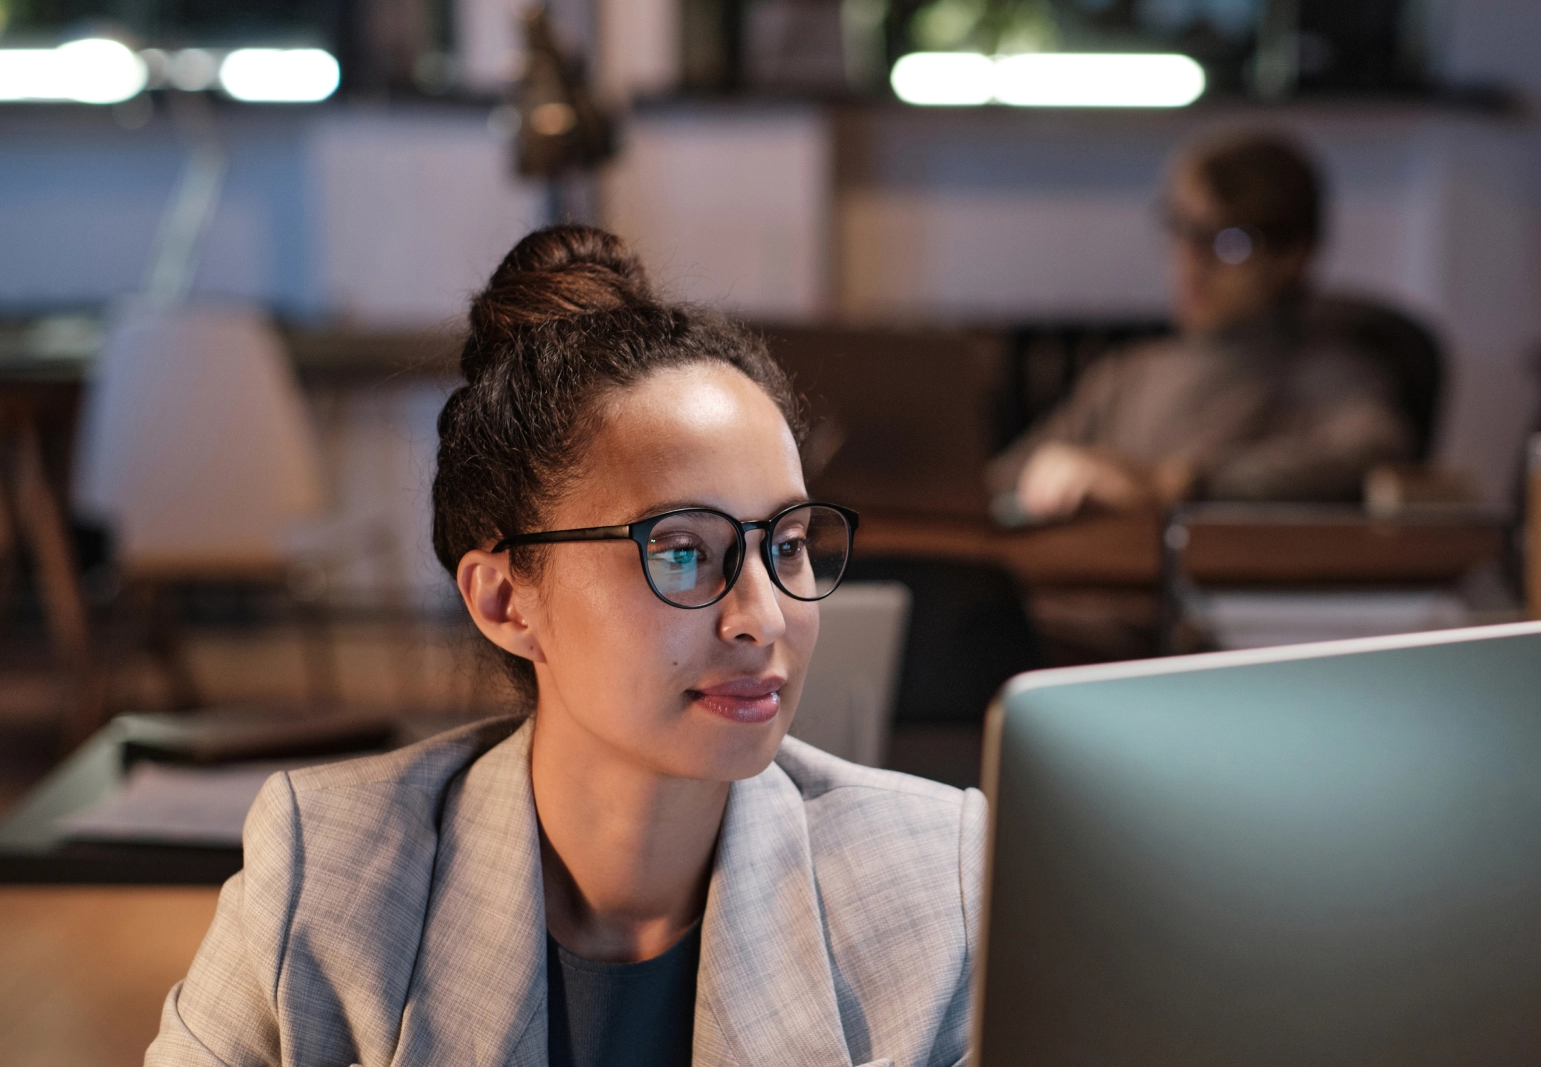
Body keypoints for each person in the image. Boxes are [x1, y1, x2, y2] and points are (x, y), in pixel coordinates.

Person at [147, 227, 985, 1067]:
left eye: (788, 543)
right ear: (507, 599)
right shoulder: (329, 877)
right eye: (683, 550)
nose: (761, 617)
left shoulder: (934, 883)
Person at [987, 131, 1422, 523]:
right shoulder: (1132, 371)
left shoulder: (1324, 371)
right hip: (1086, 587)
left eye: (1229, 242)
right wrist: (1042, 481)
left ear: (1293, 254)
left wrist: (1176, 482)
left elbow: (1369, 449)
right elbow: (1002, 478)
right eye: (1183, 228)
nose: (1192, 260)